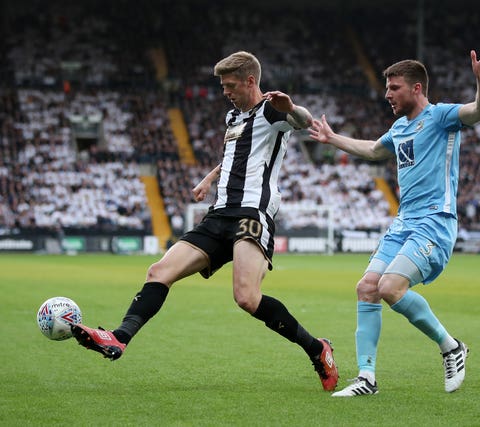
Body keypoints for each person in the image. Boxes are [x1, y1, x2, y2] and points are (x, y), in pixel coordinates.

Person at [71, 51, 339, 392]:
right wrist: (209, 179)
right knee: (158, 272)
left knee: (246, 297)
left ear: (250, 81)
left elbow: (303, 121)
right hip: (219, 214)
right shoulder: (233, 118)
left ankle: (317, 349)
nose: (225, 92)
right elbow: (233, 155)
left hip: (251, 213)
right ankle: (119, 337)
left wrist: (292, 107)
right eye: (223, 86)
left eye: (230, 85)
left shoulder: (273, 110)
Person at [308, 46, 480, 396]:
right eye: (386, 88)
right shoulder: (398, 127)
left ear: (416, 88)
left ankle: (450, 346)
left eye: (394, 88)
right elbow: (371, 150)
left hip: (434, 222)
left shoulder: (442, 116)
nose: (387, 95)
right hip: (404, 223)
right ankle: (367, 378)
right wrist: (332, 138)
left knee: (390, 288)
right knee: (367, 287)